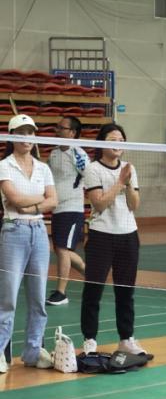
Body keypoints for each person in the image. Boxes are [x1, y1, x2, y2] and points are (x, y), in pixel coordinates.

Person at [80, 123, 147, 356]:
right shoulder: (93, 169)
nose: (118, 144)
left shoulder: (129, 169)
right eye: (113, 139)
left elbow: (134, 205)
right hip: (101, 235)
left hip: (128, 235)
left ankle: (126, 339)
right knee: (93, 289)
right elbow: (99, 203)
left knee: (126, 291)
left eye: (121, 140)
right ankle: (90, 339)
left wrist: (127, 183)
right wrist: (119, 182)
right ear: (102, 143)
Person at [0, 115, 57, 374]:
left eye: (31, 132)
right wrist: (40, 199)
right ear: (11, 137)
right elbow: (14, 199)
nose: (27, 137)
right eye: (21, 133)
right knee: (8, 298)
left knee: (38, 298)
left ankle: (33, 352)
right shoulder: (4, 166)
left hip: (39, 232)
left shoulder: (43, 168)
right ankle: (1, 352)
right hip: (14, 231)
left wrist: (32, 205)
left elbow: (53, 200)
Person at [47, 115, 88, 306]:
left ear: (72, 133)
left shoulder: (78, 154)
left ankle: (61, 293)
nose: (57, 130)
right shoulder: (53, 153)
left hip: (72, 209)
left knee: (63, 249)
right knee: (59, 249)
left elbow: (91, 176)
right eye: (57, 127)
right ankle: (93, 276)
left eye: (61, 128)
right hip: (57, 208)